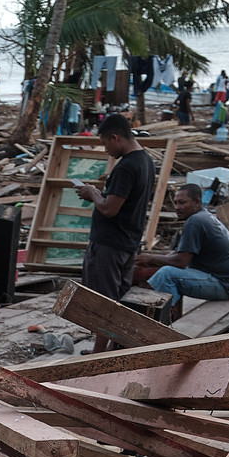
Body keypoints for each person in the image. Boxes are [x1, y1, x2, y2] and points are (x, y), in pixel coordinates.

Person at [69, 113, 155, 349]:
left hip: (110, 244)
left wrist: (92, 193)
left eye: (105, 143)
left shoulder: (127, 166)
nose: (105, 149)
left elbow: (109, 209)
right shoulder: (145, 161)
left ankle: (100, 353)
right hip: (128, 241)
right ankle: (113, 349)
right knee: (118, 298)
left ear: (116, 137)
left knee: (103, 301)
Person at [133, 183, 229, 310]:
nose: (177, 207)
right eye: (176, 203)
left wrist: (151, 258)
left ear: (197, 202)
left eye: (182, 203)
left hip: (224, 285)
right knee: (164, 270)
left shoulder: (195, 222)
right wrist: (153, 258)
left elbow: (181, 262)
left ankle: (165, 316)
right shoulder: (204, 216)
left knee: (166, 275)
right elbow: (179, 253)